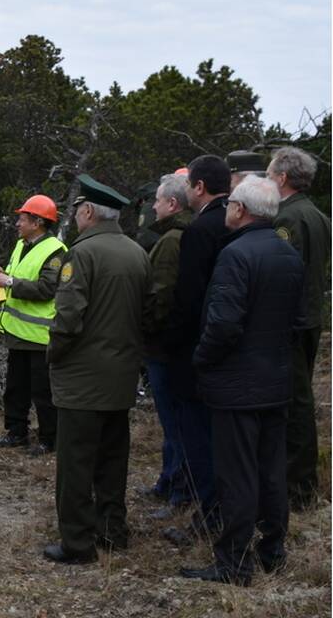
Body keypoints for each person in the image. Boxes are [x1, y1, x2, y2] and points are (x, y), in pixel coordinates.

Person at [179, 176, 305, 586]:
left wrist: (201, 359)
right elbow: (298, 321)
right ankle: (272, 550)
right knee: (271, 470)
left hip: (236, 385)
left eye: (232, 203)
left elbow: (224, 325)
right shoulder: (288, 254)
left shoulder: (235, 256)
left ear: (241, 210)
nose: (228, 208)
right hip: (275, 379)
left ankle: (233, 561)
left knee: (237, 474)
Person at [43, 175, 152, 564]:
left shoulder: (82, 254)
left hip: (82, 380)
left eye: (77, 210)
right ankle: (112, 532)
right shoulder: (137, 252)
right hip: (121, 376)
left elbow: (68, 317)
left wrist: (54, 354)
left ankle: (77, 543)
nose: (75, 216)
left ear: (88, 211)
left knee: (75, 464)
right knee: (112, 460)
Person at [163, 155, 230, 546]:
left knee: (199, 440)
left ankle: (209, 516)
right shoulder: (237, 222)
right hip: (228, 353)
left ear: (200, 187)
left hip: (196, 354)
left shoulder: (200, 230)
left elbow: (187, 300)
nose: (186, 191)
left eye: (189, 185)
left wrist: (172, 350)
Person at [267, 147, 332, 509]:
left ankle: (298, 488)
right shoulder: (318, 215)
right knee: (299, 397)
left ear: (282, 178)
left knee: (295, 404)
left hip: (293, 320)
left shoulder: (288, 219)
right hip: (310, 316)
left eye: (271, 173)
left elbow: (282, 273)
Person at [0, 195, 67, 456]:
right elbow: (13, 277)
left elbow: (46, 289)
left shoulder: (55, 252)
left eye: (23, 218)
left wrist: (8, 282)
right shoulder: (22, 245)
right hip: (17, 333)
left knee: (43, 392)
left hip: (41, 337)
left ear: (38, 222)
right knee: (15, 388)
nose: (18, 223)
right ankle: (16, 433)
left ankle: (49, 440)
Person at [142, 173, 193, 513]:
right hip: (169, 346)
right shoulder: (178, 235)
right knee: (173, 422)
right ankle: (167, 481)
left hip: (164, 348)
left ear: (172, 204)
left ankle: (178, 490)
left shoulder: (172, 240)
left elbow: (161, 296)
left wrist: (144, 331)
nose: (154, 207)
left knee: (175, 423)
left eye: (158, 201)